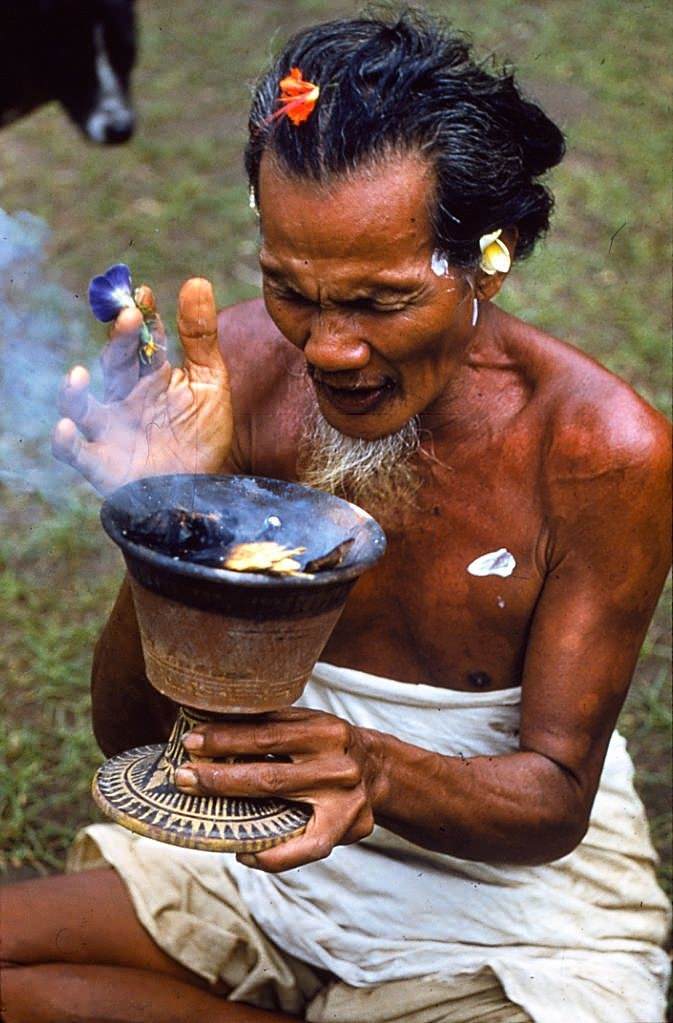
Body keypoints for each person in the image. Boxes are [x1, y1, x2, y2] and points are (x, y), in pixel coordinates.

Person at [2, 10, 670, 1023]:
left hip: (507, 918)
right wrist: (166, 532)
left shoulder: (595, 452)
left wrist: (373, 770)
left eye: (381, 302)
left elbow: (551, 804)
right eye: (289, 290)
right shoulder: (241, 383)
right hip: (256, 860)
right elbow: (129, 738)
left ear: (489, 261)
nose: (329, 350)